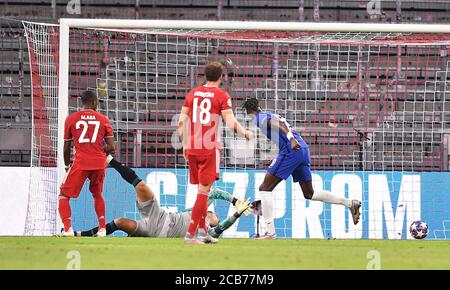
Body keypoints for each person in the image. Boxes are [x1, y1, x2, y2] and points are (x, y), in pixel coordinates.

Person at [242, 98, 361, 240]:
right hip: (302, 149)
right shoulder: (268, 114)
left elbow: (279, 124)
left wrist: (291, 139)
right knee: (309, 193)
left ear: (249, 113)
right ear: (260, 106)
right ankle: (349, 203)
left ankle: (270, 232)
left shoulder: (259, 118)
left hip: (291, 149)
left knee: (264, 188)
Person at [74, 156, 252, 239]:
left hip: (152, 232)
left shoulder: (206, 233)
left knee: (121, 222)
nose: (215, 217)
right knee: (142, 186)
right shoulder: (196, 212)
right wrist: (234, 201)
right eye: (213, 214)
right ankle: (110, 160)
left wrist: (236, 214)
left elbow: (221, 228)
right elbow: (214, 193)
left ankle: (85, 234)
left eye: (215, 217)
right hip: (157, 216)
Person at [178, 61, 253, 244]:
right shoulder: (221, 95)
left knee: (203, 191)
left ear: (205, 75)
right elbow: (230, 122)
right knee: (204, 193)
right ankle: (190, 234)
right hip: (209, 148)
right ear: (221, 77)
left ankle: (203, 232)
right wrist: (245, 133)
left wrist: (184, 145)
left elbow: (181, 123)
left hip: (192, 148)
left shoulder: (192, 94)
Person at [59, 90, 115, 237]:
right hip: (98, 162)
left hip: (81, 162)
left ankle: (68, 229)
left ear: (82, 103)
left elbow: (66, 147)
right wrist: (97, 149)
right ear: (95, 103)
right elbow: (111, 147)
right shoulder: (103, 119)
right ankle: (102, 229)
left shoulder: (71, 119)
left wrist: (66, 165)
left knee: (64, 195)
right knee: (97, 194)